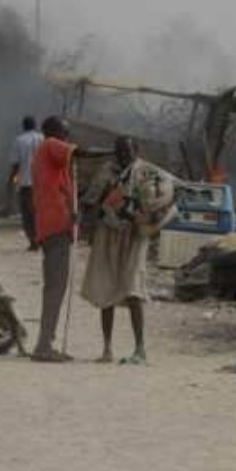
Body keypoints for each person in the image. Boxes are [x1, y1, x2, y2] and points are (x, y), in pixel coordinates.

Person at [81, 136, 176, 365]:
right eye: (120, 152)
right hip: (107, 236)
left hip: (134, 238)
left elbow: (159, 205)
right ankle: (107, 349)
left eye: (128, 152)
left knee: (134, 290)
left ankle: (140, 348)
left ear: (136, 151)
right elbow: (91, 202)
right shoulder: (106, 172)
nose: (124, 156)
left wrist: (141, 216)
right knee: (106, 289)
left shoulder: (148, 174)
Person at [29, 116, 117, 363]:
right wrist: (111, 151)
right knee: (55, 287)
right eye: (65, 133)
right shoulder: (50, 145)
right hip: (55, 226)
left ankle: (46, 342)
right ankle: (44, 345)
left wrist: (72, 209)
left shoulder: (50, 158)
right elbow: (81, 153)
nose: (68, 139)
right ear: (55, 133)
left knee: (56, 286)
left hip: (57, 225)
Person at [8, 116, 44, 251]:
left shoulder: (19, 140)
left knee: (27, 214)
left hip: (26, 183)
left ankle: (33, 241)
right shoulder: (43, 139)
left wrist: (11, 180)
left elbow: (15, 164)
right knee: (39, 212)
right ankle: (41, 238)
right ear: (35, 125)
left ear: (23, 126)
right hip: (42, 183)